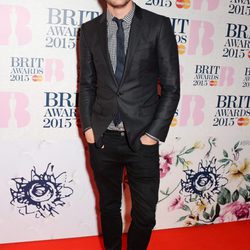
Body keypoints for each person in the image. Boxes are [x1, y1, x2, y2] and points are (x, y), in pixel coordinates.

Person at [79, 0, 180, 249]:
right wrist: (89, 128)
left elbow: (171, 88)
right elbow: (87, 84)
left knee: (145, 216)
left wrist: (152, 135)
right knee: (109, 207)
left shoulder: (158, 25)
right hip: (103, 138)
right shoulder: (89, 30)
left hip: (142, 139)